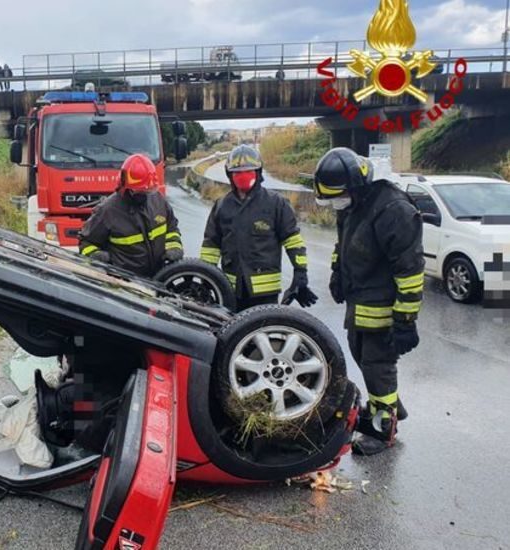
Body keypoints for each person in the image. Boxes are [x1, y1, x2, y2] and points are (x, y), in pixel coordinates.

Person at [313, 147, 424, 456]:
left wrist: (405, 321)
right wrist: (337, 273)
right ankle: (388, 406)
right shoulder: (353, 204)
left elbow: (410, 271)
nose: (336, 203)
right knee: (361, 356)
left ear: (356, 185)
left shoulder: (393, 210)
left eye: (339, 196)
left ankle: (383, 429)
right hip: (359, 301)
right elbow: (342, 245)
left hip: (384, 306)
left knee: (378, 366)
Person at [201, 145, 316, 311]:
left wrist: (300, 272)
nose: (243, 176)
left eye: (248, 171)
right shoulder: (222, 206)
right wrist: (206, 278)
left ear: (258, 172)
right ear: (230, 175)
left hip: (265, 294)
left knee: (265, 328)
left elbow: (293, 240)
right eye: (237, 173)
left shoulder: (276, 203)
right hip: (232, 291)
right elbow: (211, 245)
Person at [79, 154, 183, 277]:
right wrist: (97, 256)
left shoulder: (158, 200)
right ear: (126, 187)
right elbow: (86, 242)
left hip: (159, 277)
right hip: (125, 283)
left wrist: (174, 247)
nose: (145, 194)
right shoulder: (108, 211)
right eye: (140, 190)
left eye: (148, 190)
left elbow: (171, 227)